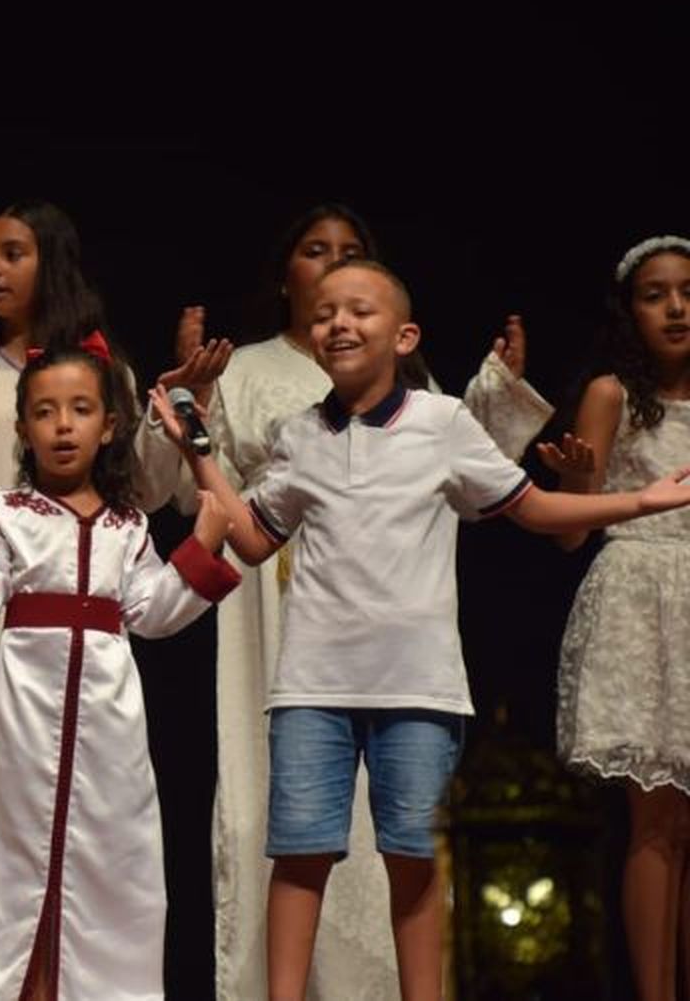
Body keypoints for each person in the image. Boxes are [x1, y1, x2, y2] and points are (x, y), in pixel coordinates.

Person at [163, 257, 690, 1001]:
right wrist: (199, 452)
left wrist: (632, 504)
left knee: (415, 859)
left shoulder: (443, 425)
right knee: (301, 856)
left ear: (404, 335)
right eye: (324, 315)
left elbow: (534, 509)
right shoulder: (300, 435)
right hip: (313, 685)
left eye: (359, 312)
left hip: (420, 689)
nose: (338, 323)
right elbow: (251, 540)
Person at [166, 204, 551, 999]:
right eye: (316, 254)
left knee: (408, 843)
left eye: (350, 257)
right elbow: (218, 503)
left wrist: (502, 394)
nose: (333, 283)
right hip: (289, 620)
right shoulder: (252, 374)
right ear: (290, 281)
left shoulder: (421, 398)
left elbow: (464, 470)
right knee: (290, 831)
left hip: (399, 634)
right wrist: (193, 424)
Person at [0, 199, 224, 830]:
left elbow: (141, 491)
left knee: (89, 794)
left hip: (81, 595)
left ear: (51, 262)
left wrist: (178, 403)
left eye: (12, 253)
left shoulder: (101, 367)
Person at [0, 335, 240, 1000]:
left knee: (109, 869)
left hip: (107, 724)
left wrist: (203, 543)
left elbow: (153, 612)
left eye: (81, 409)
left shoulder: (128, 526)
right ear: (23, 430)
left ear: (110, 425)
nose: (64, 425)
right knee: (8, 866)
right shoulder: (6, 512)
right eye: (46, 412)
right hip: (18, 716)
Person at [554, 236, 690, 1001]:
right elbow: (572, 530)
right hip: (643, 598)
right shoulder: (611, 394)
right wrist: (578, 476)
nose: (676, 307)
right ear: (629, 311)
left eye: (688, 291)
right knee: (658, 823)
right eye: (655, 294)